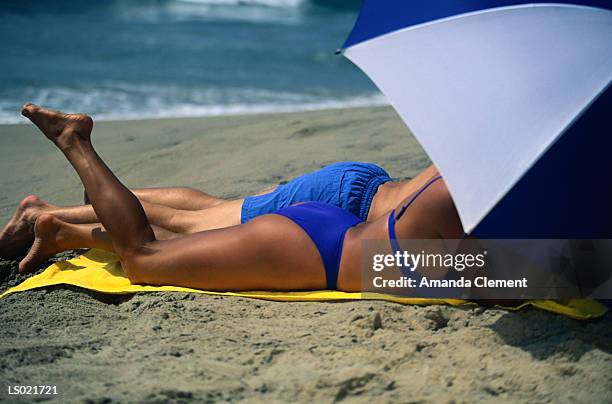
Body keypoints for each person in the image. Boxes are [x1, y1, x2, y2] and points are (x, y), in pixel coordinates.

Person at [12, 104, 463, 293]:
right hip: (314, 251)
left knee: (184, 235)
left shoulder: (467, 179)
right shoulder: (467, 218)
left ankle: (65, 231)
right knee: (142, 257)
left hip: (332, 229)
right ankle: (76, 143)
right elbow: (499, 281)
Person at [1, 128, 440, 260]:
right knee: (192, 226)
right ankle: (53, 213)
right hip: (349, 202)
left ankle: (66, 208)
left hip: (360, 186)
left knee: (212, 208)